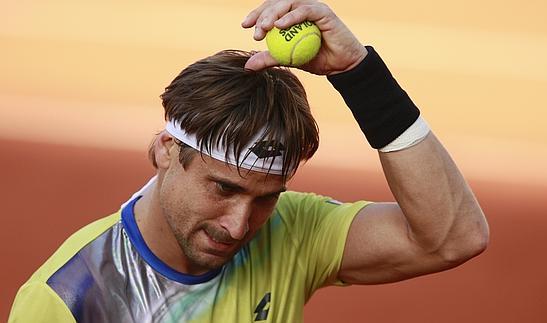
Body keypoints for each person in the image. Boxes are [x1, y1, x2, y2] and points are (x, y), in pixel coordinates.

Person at [9, 0, 489, 322]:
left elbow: (453, 237)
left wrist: (357, 74)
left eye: (267, 198)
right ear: (165, 151)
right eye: (224, 188)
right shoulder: (68, 301)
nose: (240, 226)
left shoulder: (293, 231)